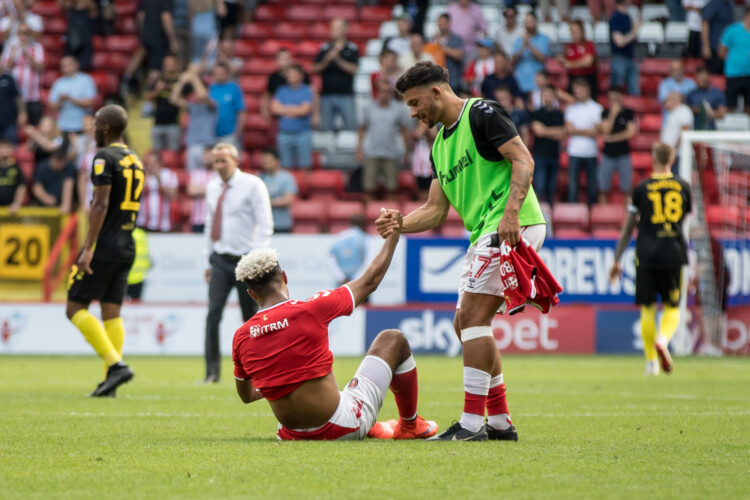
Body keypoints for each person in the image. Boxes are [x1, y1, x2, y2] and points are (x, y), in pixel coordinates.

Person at [380, 61, 547, 441]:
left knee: (472, 317)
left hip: (512, 224)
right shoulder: (439, 146)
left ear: (436, 92)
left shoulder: (481, 113)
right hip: (485, 232)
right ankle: (500, 423)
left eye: (415, 102)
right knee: (466, 324)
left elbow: (523, 159)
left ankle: (471, 425)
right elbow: (435, 210)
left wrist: (510, 215)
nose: (412, 112)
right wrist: (399, 223)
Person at [232, 239, 438, 441]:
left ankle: (375, 427)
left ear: (251, 294)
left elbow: (247, 396)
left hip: (290, 434)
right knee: (393, 338)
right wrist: (393, 236)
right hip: (339, 426)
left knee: (345, 394)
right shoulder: (311, 309)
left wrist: (278, 380)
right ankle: (409, 426)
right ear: (284, 277)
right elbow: (370, 281)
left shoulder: (242, 336)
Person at [65, 104, 141, 397]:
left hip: (104, 246)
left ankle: (116, 366)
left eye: (96, 123)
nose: (93, 128)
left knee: (74, 308)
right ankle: (111, 380)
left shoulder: (104, 157)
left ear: (106, 128)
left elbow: (100, 204)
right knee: (112, 311)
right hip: (126, 243)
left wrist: (88, 248)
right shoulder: (134, 159)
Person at [609, 143, 692, 376]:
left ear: (653, 159)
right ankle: (663, 340)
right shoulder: (684, 187)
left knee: (647, 308)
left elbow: (628, 228)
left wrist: (617, 259)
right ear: (672, 159)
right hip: (673, 252)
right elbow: (685, 220)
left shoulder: (641, 188)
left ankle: (651, 363)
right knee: (673, 307)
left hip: (646, 254)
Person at [203, 142, 273, 383]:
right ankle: (212, 373)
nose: (219, 165)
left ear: (236, 161)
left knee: (251, 318)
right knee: (213, 314)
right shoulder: (212, 187)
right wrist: (208, 260)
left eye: (223, 160)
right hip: (220, 259)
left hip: (246, 261)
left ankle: (257, 370)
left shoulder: (253, 184)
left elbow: (265, 222)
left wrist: (256, 259)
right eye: (216, 161)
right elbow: (210, 224)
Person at [356, 78, 411, 202]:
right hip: (372, 153)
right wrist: (358, 149)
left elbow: (404, 131)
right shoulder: (369, 107)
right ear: (378, 92)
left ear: (391, 93)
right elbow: (362, 129)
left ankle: (389, 214)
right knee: (368, 188)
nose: (384, 94)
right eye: (382, 91)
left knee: (392, 189)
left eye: (387, 91)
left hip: (391, 154)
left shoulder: (398, 109)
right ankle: (370, 212)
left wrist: (406, 152)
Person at [313, 18, 359, 131]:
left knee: (350, 128)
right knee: (326, 130)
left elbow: (354, 69)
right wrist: (327, 59)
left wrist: (338, 60)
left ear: (345, 29)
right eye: (332, 28)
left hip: (346, 94)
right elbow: (315, 69)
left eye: (337, 28)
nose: (333, 31)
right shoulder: (325, 48)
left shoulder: (352, 48)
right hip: (326, 94)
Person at [122, 0, 179, 92]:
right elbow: (166, 17)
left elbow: (140, 16)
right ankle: (148, 92)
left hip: (146, 33)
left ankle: (125, 80)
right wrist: (172, 40)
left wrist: (144, 31)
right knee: (156, 69)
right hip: (159, 36)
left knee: (140, 53)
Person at [170, 64, 217, 170]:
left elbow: (203, 95)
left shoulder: (213, 104)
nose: (196, 94)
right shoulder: (193, 106)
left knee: (208, 175)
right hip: (191, 145)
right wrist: (181, 82)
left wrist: (192, 75)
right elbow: (173, 99)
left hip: (206, 147)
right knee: (192, 177)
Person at [565, 78, 602, 206]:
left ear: (587, 90)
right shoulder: (571, 108)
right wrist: (588, 130)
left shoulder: (597, 108)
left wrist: (577, 130)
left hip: (591, 152)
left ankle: (593, 211)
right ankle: (572, 211)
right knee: (572, 186)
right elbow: (569, 129)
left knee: (592, 185)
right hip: (574, 151)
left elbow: (596, 132)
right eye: (576, 90)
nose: (578, 93)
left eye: (580, 90)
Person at [0, 21, 44, 125]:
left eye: (25, 33)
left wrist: (27, 54)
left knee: (35, 125)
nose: (23, 36)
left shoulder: (37, 47)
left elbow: (41, 68)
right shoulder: (11, 47)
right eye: (20, 33)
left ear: (30, 34)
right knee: (14, 126)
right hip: (14, 97)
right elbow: (3, 70)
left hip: (32, 96)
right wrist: (12, 58)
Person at [271, 64, 314, 169]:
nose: (291, 77)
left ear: (301, 76)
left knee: (304, 166)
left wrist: (284, 109)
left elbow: (304, 110)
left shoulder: (306, 90)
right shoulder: (281, 90)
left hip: (303, 134)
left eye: (294, 74)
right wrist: (297, 109)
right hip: (284, 133)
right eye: (289, 74)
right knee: (285, 166)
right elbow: (274, 109)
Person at [598, 85, 635, 204]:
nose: (614, 98)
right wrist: (613, 114)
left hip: (624, 154)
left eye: (617, 95)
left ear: (622, 96)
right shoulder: (605, 112)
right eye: (612, 95)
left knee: (627, 189)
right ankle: (603, 213)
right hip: (607, 155)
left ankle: (627, 213)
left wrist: (612, 139)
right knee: (603, 188)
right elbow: (606, 130)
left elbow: (630, 133)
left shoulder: (628, 112)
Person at [530, 85, 565, 205]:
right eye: (544, 94)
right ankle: (538, 212)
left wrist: (545, 130)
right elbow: (538, 132)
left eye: (549, 94)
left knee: (551, 188)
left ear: (554, 96)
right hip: (540, 155)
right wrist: (555, 131)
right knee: (539, 187)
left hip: (554, 155)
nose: (546, 97)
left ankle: (550, 212)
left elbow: (562, 134)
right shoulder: (537, 113)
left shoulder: (559, 114)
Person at [48, 56, 97, 134]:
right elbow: (51, 106)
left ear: (76, 65)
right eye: (63, 66)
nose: (66, 68)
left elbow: (90, 103)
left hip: (83, 126)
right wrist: (61, 101)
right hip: (63, 126)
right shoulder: (58, 83)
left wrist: (70, 99)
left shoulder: (86, 80)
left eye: (69, 65)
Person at [145, 55, 183, 152]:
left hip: (174, 123)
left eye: (171, 65)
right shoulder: (158, 80)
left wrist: (172, 90)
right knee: (157, 154)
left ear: (177, 66)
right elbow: (148, 98)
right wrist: (158, 90)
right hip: (158, 123)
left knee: (173, 153)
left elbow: (186, 101)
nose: (169, 68)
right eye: (167, 65)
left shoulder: (180, 81)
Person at [262, 48, 312, 120]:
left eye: (286, 58)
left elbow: (312, 92)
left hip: (300, 117)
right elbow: (268, 94)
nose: (285, 61)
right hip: (280, 117)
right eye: (282, 59)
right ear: (277, 60)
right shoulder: (273, 78)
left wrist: (314, 113)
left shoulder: (300, 74)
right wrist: (264, 109)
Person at [136, 151, 178, 232]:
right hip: (144, 223)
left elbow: (173, 196)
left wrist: (159, 180)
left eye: (153, 164)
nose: (150, 166)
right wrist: (146, 178)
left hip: (164, 224)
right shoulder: (142, 175)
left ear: (160, 163)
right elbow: (136, 194)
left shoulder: (169, 174)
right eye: (148, 164)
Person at [259, 147, 298, 234]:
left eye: (269, 160)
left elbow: (288, 200)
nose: (265, 162)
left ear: (277, 161)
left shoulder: (287, 178)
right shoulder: (259, 177)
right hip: (263, 224)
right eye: (264, 159)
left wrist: (266, 202)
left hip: (281, 225)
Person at [511, 13, 550, 97]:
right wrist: (523, 46)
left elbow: (542, 58)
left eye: (531, 22)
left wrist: (529, 44)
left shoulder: (544, 38)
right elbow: (513, 60)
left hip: (538, 82)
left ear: (536, 22)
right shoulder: (518, 40)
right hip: (521, 81)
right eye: (527, 22)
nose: (529, 24)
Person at [718, 8, 750, 113]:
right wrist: (734, 61)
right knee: (730, 106)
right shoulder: (732, 30)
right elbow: (722, 51)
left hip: (749, 75)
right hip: (733, 74)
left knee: (748, 108)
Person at [609, 0, 642, 96]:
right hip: (619, 58)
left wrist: (635, 30)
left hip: (629, 57)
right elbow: (619, 42)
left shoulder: (626, 16)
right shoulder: (615, 17)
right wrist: (635, 30)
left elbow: (630, 38)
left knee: (634, 91)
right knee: (616, 90)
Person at [209, 62, 245, 148]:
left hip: (230, 135)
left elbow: (242, 111)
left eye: (221, 74)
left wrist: (237, 133)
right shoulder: (210, 88)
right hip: (211, 135)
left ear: (227, 74)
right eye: (217, 74)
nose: (219, 76)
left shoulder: (234, 88)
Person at [560, 19, 598, 99]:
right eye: (572, 32)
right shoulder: (569, 47)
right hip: (573, 78)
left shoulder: (588, 44)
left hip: (588, 78)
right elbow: (564, 62)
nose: (574, 35)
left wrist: (570, 64)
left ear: (582, 31)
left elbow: (588, 62)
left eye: (576, 32)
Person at [32, 148, 76, 214]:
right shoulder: (42, 167)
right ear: (52, 158)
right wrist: (46, 198)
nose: (61, 164)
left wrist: (66, 204)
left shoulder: (68, 168)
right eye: (58, 160)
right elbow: (37, 187)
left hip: (61, 208)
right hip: (43, 208)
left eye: (63, 161)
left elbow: (68, 185)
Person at [660, 92, 694, 174]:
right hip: (673, 154)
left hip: (680, 155)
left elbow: (684, 131)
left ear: (674, 100)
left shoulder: (683, 110)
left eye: (666, 101)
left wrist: (674, 150)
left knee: (678, 179)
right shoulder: (674, 112)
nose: (664, 104)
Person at [59, 0, 97, 71]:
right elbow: (61, 4)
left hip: (84, 42)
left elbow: (94, 11)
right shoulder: (71, 7)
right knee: (69, 66)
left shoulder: (89, 8)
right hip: (72, 41)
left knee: (83, 67)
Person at [431, 13, 464, 92]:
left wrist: (441, 46)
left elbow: (458, 55)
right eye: (439, 24)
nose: (441, 26)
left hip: (453, 79)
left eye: (443, 23)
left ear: (448, 23)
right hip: (437, 80)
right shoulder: (433, 39)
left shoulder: (456, 38)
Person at [686, 66, 728, 130]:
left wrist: (706, 111)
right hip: (695, 131)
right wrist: (694, 110)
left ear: (709, 77)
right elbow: (686, 112)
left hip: (712, 130)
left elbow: (722, 114)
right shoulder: (691, 94)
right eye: (698, 78)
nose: (700, 80)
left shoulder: (718, 94)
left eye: (703, 78)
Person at [187, 146, 215, 233]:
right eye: (204, 155)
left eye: (208, 156)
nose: (205, 158)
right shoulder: (196, 173)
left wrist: (200, 189)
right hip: (198, 220)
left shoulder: (220, 175)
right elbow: (191, 191)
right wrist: (213, 190)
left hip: (214, 220)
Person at [701, 0, 734, 75]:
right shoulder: (714, 4)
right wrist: (706, 46)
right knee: (714, 76)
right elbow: (705, 23)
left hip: (725, 49)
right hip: (714, 48)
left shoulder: (730, 4)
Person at [411, 122, 438, 200]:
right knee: (421, 190)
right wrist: (423, 127)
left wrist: (430, 126)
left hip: (432, 167)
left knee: (432, 191)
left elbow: (434, 136)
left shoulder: (434, 127)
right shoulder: (417, 131)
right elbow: (415, 136)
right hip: (420, 168)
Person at [125, 227, 151, 301]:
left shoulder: (122, 232)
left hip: (123, 276)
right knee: (136, 304)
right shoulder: (142, 234)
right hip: (139, 277)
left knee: (115, 304)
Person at [0, 138, 25, 214]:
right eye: (2, 148)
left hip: (11, 210)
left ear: (11, 150)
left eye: (7, 148)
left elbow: (21, 187)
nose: (4, 150)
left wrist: (17, 203)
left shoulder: (16, 167)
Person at [0, 68, 24, 143]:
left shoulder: (9, 78)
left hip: (9, 120)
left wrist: (22, 113)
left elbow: (18, 97)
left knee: (12, 144)